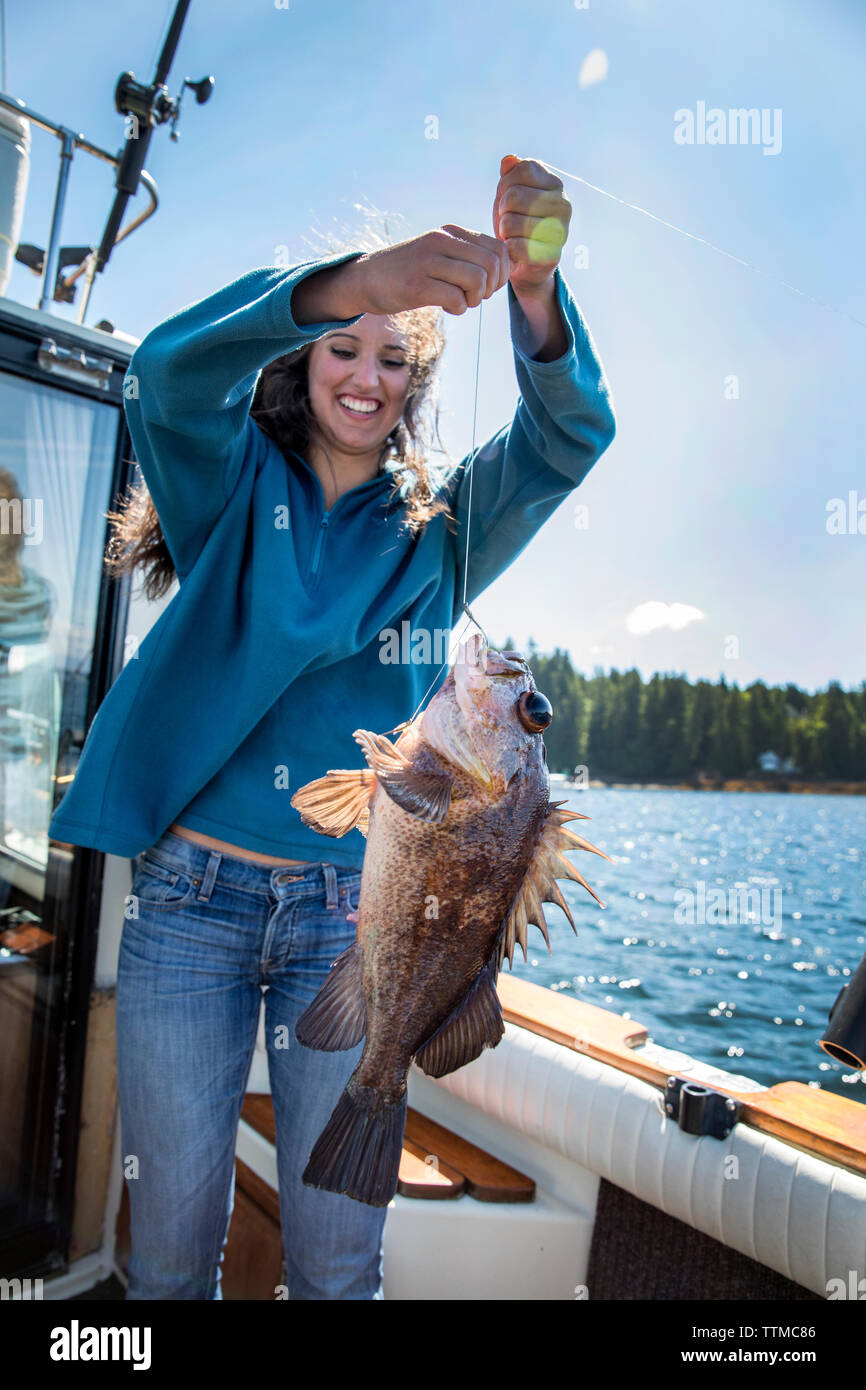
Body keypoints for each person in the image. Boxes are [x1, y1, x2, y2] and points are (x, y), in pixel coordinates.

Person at [47, 155, 616, 1300]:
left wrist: (536, 290)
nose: (364, 376)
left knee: (338, 1267)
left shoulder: (443, 534)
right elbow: (163, 373)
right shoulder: (223, 484)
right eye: (341, 344)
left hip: (351, 925)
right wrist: (360, 277)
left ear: (414, 382)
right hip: (191, 910)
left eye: (392, 356)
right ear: (299, 355)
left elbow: (565, 441)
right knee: (163, 1262)